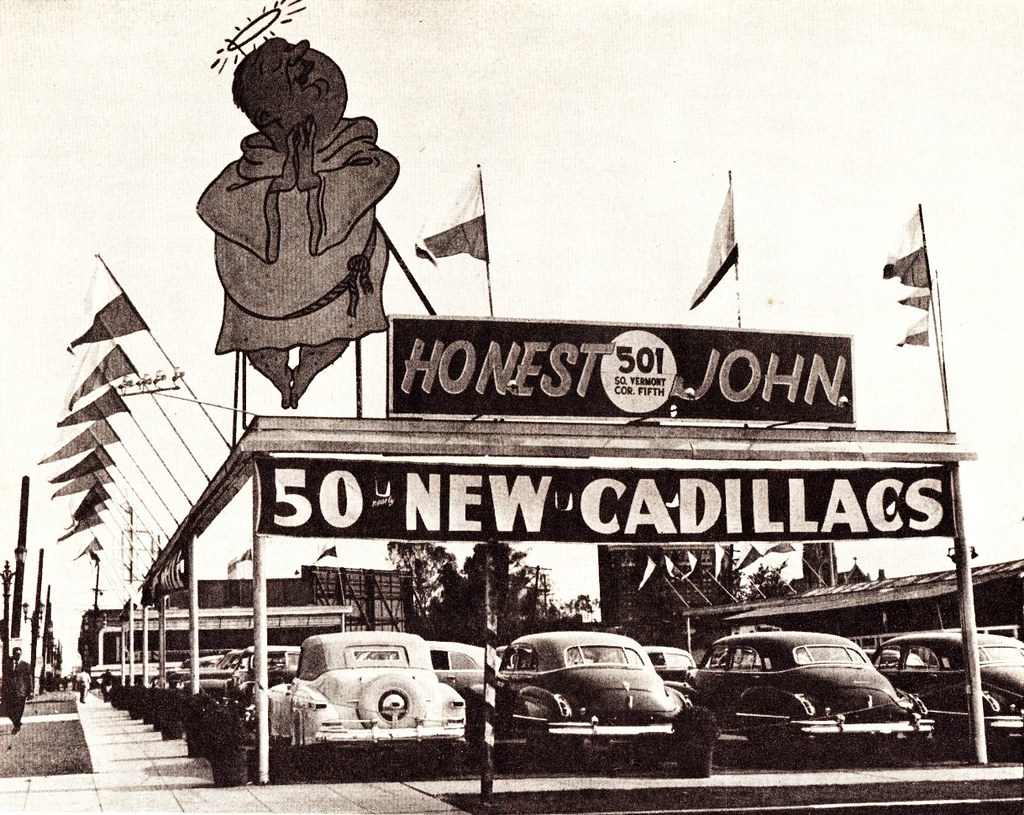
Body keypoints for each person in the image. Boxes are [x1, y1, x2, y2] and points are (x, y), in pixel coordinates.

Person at [198, 38, 399, 409]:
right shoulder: (253, 164)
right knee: (261, 344)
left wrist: (314, 183)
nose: (316, 84)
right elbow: (212, 204)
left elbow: (379, 172)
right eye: (300, 79)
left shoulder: (352, 148)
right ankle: (279, 376)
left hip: (339, 289)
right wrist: (278, 187)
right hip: (260, 297)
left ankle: (306, 373)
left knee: (332, 334)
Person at [4, 646, 33, 737]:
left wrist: (30, 691)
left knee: (19, 709)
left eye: (19, 654)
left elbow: (29, 679)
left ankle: (16, 725)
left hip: (21, 691)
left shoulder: (25, 665)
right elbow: (5, 678)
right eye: (16, 654)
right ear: (13, 654)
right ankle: (17, 723)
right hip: (10, 691)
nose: (18, 655)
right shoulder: (8, 664)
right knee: (8, 710)